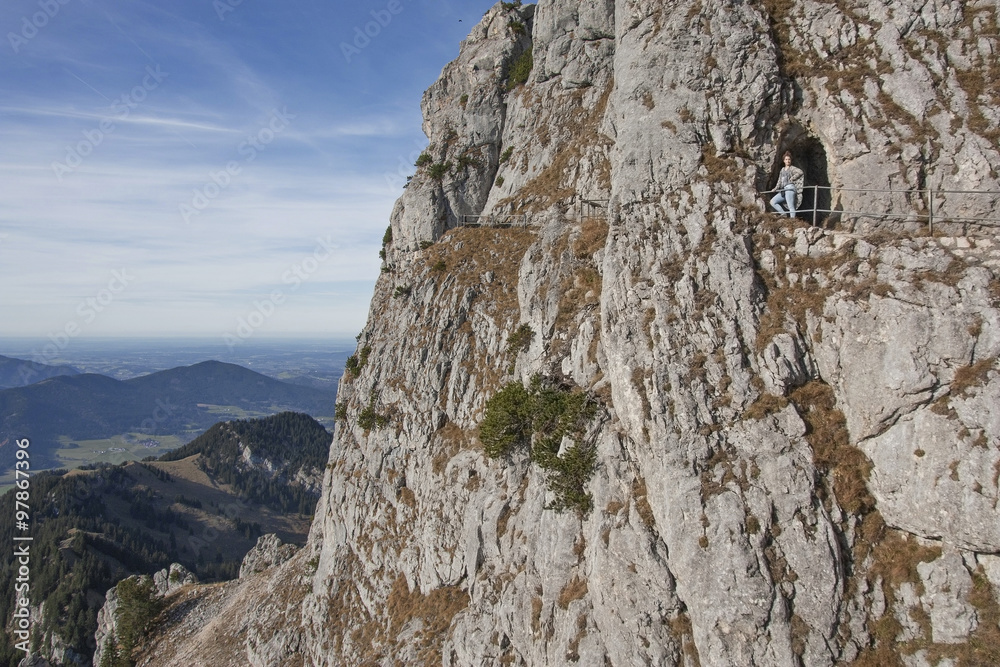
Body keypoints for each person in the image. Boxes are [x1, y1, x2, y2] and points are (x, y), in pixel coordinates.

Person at [770, 151, 804, 217]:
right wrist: (775, 188)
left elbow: (800, 172)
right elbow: (779, 181)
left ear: (791, 160)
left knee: (791, 206)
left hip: (790, 188)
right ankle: (783, 214)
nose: (788, 161)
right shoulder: (782, 169)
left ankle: (792, 220)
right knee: (773, 201)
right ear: (784, 161)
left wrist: (792, 178)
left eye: (789, 159)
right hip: (783, 190)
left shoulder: (792, 168)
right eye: (786, 159)